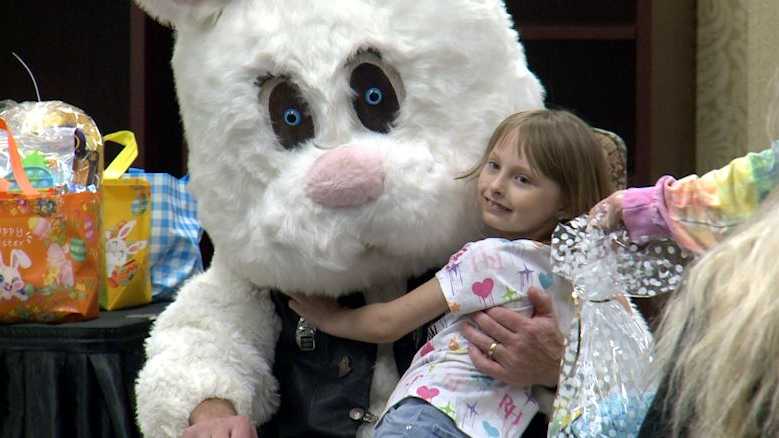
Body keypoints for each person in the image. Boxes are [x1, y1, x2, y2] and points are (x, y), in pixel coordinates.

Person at [289, 109, 614, 437]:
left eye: (522, 179)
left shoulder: (487, 257)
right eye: (494, 165)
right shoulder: (585, 278)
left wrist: (330, 319)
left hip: (426, 418)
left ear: (566, 202)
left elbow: (387, 323)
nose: (497, 186)